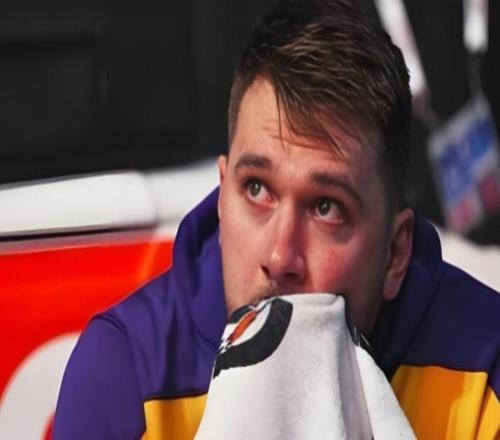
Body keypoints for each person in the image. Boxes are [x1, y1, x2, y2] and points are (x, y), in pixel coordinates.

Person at [54, 0, 500, 438]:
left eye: (326, 208)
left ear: (395, 253)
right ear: (223, 199)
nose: (280, 256)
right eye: (256, 189)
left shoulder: (485, 371)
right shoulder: (125, 371)